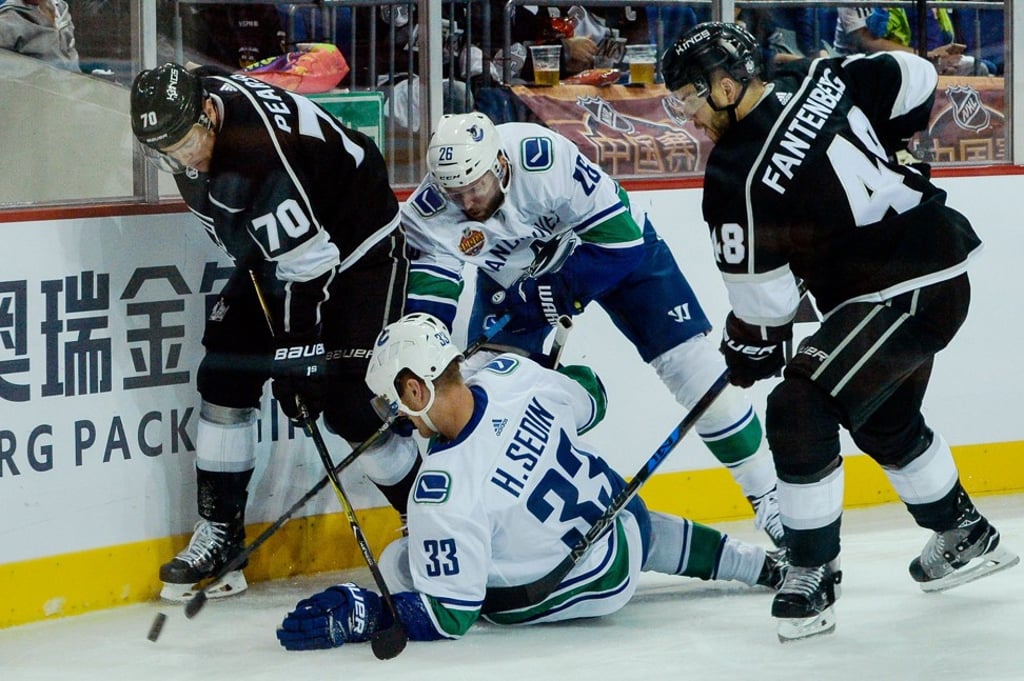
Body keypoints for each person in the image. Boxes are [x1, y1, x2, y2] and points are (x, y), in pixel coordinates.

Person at [661, 22, 1020, 642]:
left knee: (800, 401)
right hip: (932, 270)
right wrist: (893, 144)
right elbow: (916, 75)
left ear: (724, 85)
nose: (688, 115)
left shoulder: (734, 175)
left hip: (899, 289)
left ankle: (810, 570)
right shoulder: (824, 76)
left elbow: (768, 312)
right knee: (883, 418)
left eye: (689, 99)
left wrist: (748, 350)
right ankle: (964, 533)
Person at [275, 313, 788, 648]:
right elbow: (594, 399)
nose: (398, 418)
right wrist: (551, 381)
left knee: (400, 562)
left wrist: (365, 612)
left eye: (395, 403)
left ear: (415, 388)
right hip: (623, 535)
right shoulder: (509, 376)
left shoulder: (442, 488)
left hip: (562, 591)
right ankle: (761, 565)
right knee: (624, 513)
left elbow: (450, 615)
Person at [400, 111, 786, 548]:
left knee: (696, 371)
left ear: (499, 165)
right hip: (516, 284)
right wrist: (420, 362)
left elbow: (621, 243)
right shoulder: (431, 210)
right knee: (471, 391)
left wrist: (550, 294)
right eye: (456, 193)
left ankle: (772, 500)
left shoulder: (540, 158)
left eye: (476, 188)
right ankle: (456, 527)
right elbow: (431, 301)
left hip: (610, 256)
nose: (468, 203)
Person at [130, 62, 419, 601]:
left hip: (359, 248)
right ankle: (220, 532)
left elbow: (310, 269)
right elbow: (279, 255)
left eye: (186, 141)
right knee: (224, 372)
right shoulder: (201, 100)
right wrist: (292, 352)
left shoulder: (256, 159)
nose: (180, 159)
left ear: (209, 115)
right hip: (283, 251)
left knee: (350, 403)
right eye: (163, 150)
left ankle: (426, 519)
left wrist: (299, 354)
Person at [0, 0, 80, 71]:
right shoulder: (8, 19)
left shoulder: (61, 9)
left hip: (75, 81)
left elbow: (70, 51)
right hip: (38, 84)